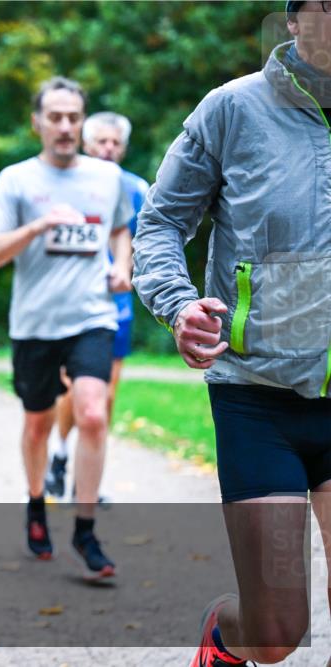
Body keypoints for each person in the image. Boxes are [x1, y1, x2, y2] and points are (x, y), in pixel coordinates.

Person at [132, 3, 330, 664]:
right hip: (257, 394)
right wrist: (178, 302)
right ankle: (223, 636)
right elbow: (160, 224)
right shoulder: (232, 110)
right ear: (294, 19)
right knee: (274, 632)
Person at [0, 76, 133, 580]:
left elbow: (120, 228)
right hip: (34, 323)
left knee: (92, 412)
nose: (65, 126)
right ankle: (36, 502)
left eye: (73, 117)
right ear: (36, 122)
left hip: (91, 316)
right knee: (38, 424)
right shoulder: (15, 180)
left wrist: (122, 265)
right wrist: (36, 228)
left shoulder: (107, 178)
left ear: (82, 121)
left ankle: (85, 530)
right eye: (55, 117)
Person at [44, 111, 150, 501]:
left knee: (104, 396)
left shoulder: (138, 188)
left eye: (115, 142)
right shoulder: (66, 182)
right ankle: (58, 452)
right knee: (75, 388)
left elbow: (149, 243)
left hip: (116, 306)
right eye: (101, 141)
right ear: (87, 144)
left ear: (123, 147)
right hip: (68, 303)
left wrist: (129, 269)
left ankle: (82, 483)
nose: (108, 148)